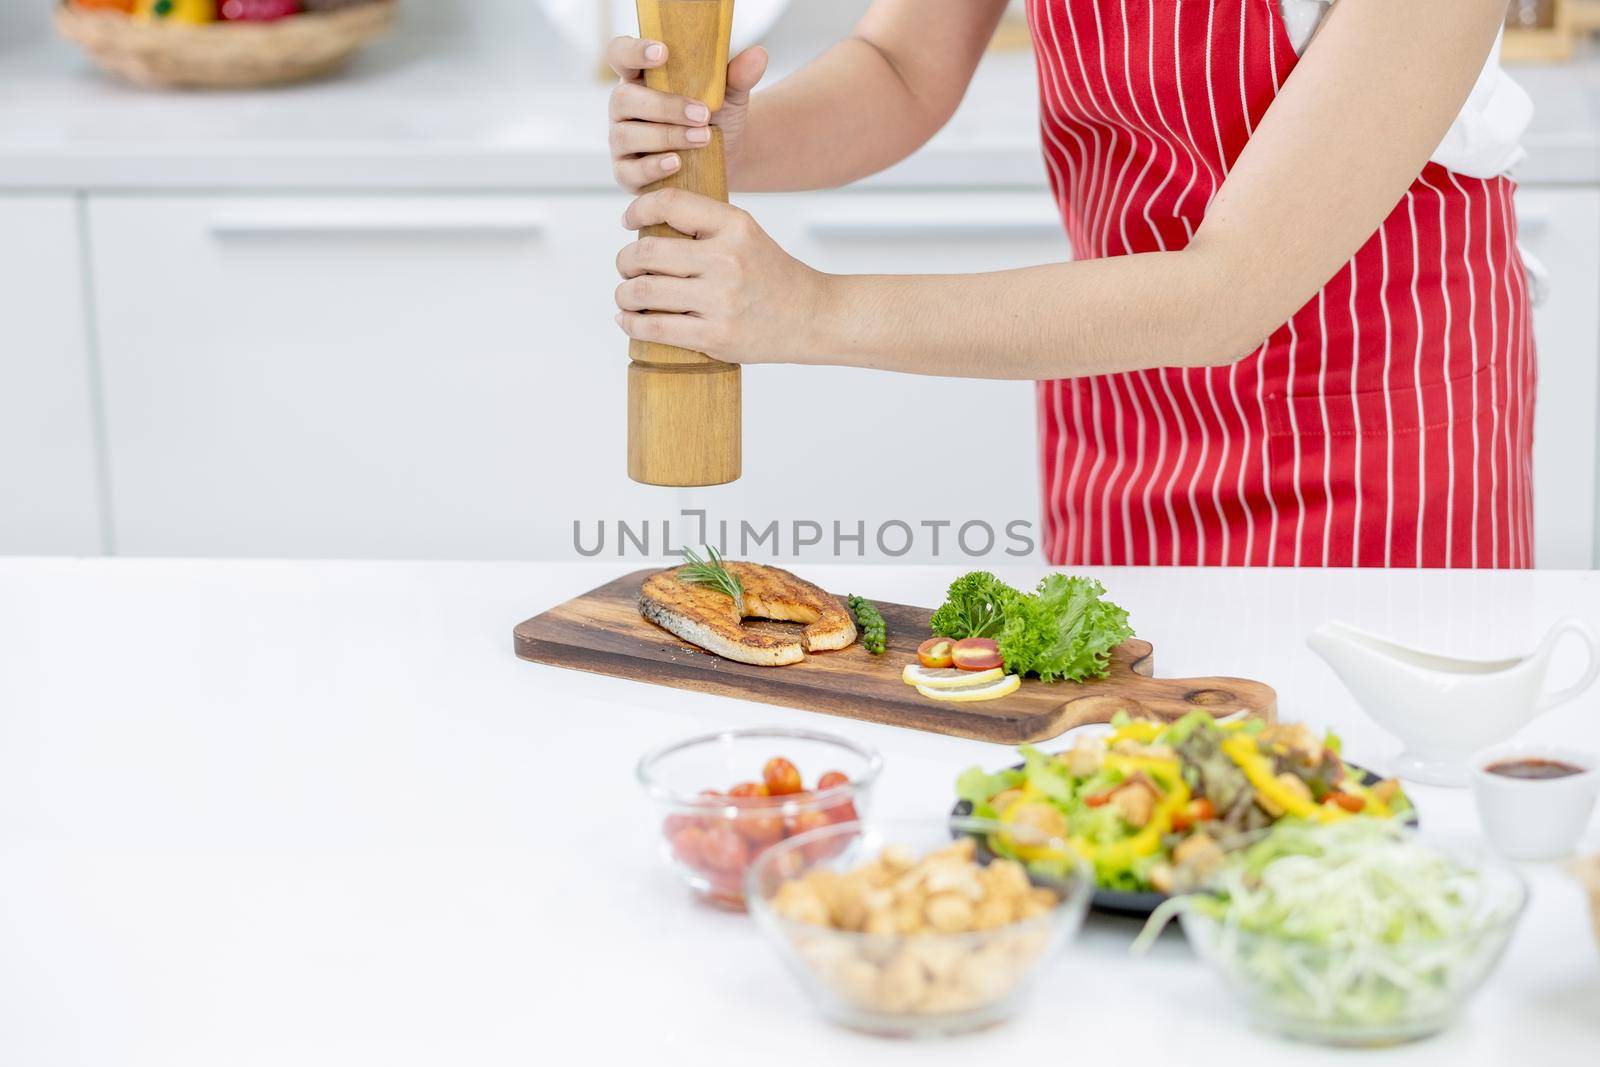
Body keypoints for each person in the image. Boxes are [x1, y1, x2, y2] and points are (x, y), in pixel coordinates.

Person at [606, 0, 1534, 568]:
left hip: (1372, 453)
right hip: (1117, 425)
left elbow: (1226, 298)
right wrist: (726, 139)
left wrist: (810, 310)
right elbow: (901, 70)